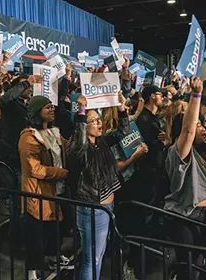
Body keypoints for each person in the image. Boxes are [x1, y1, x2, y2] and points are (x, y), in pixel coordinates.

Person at [67, 94, 127, 280]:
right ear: (85, 125)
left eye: (99, 119)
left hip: (107, 207)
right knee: (91, 259)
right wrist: (81, 112)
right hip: (92, 209)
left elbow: (122, 133)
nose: (99, 123)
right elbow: (80, 139)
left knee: (98, 256)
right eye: (94, 121)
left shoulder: (101, 142)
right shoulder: (79, 148)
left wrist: (122, 108)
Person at [164, 77, 206, 280]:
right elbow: (188, 130)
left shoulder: (201, 151)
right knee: (190, 270)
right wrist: (195, 95)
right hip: (186, 217)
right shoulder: (179, 152)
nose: (202, 128)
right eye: (199, 126)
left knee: (200, 265)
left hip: (204, 214)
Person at [19, 95, 71, 280]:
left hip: (56, 191)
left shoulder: (53, 132)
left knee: (55, 230)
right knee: (36, 238)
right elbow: (34, 168)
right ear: (36, 112)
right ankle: (32, 272)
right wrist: (61, 173)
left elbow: (69, 147)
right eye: (47, 107)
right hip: (37, 194)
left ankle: (53, 258)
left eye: (52, 107)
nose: (52, 110)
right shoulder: (28, 137)